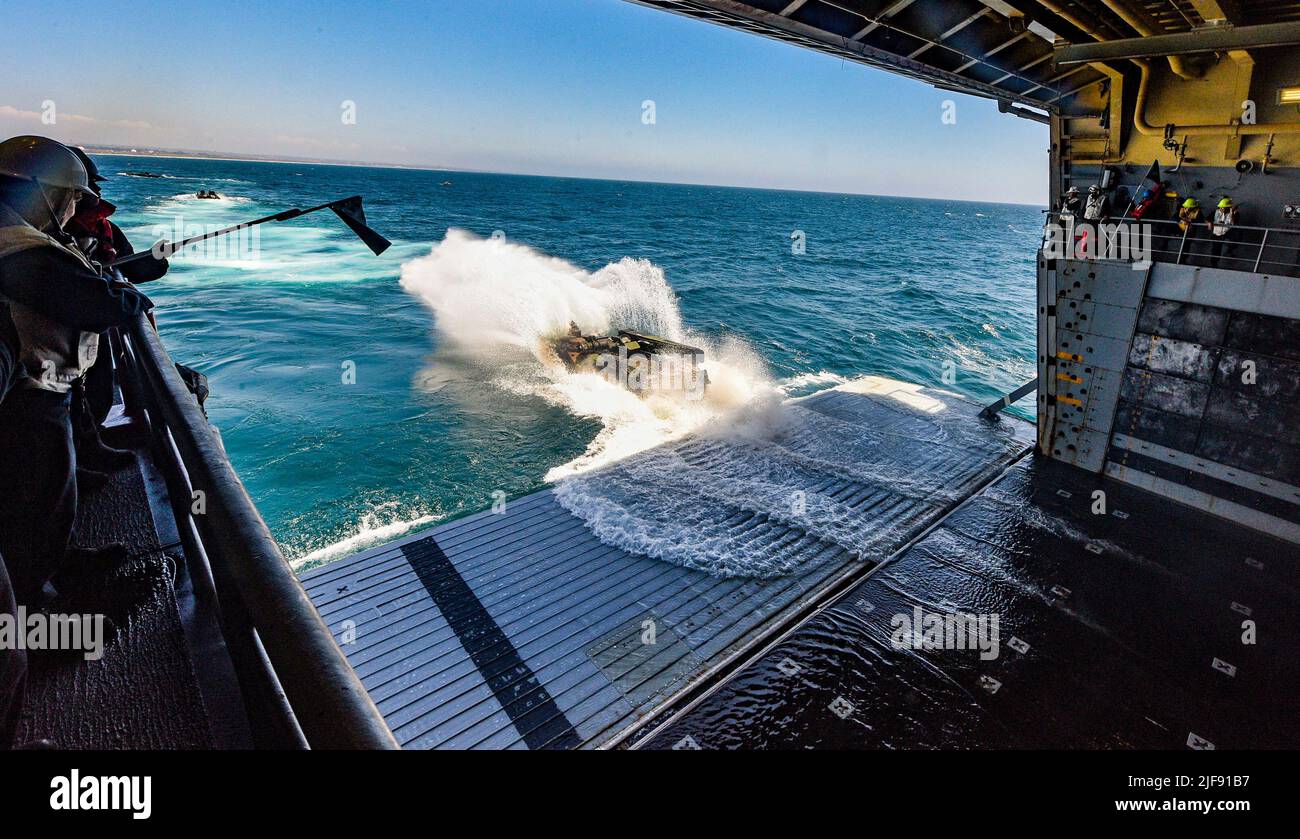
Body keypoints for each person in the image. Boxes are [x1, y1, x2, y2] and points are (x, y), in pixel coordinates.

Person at [0, 136, 152, 608]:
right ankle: (39, 611)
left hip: (31, 390)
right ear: (45, 193)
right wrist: (131, 296)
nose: (71, 214)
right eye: (71, 201)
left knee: (38, 503)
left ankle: (58, 565)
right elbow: (106, 305)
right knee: (38, 504)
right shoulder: (23, 250)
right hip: (30, 397)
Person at [65, 147, 168, 483]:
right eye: (92, 186)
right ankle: (68, 467)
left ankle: (86, 449)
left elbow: (132, 268)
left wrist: (158, 260)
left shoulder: (104, 229)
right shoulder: (49, 236)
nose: (99, 193)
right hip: (64, 328)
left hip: (95, 325)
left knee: (96, 390)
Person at [1207, 197, 1240, 269]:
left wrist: (1232, 213)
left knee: (1237, 236)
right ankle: (1214, 264)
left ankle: (1230, 250)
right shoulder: (1216, 212)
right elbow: (1207, 218)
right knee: (1215, 249)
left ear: (1228, 208)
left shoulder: (1235, 213)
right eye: (1220, 207)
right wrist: (1209, 223)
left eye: (1223, 208)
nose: (1221, 209)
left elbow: (1233, 222)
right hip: (1217, 233)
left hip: (1227, 232)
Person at [1176, 197, 1205, 264]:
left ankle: (1183, 260)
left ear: (1194, 208)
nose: (1188, 209)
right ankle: (1180, 259)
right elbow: (1175, 217)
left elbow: (1201, 220)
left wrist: (1190, 220)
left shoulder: (1198, 212)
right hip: (1181, 231)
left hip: (1190, 232)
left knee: (1186, 246)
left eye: (1190, 207)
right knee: (1182, 246)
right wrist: (1182, 219)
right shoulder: (1181, 209)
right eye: (1187, 207)